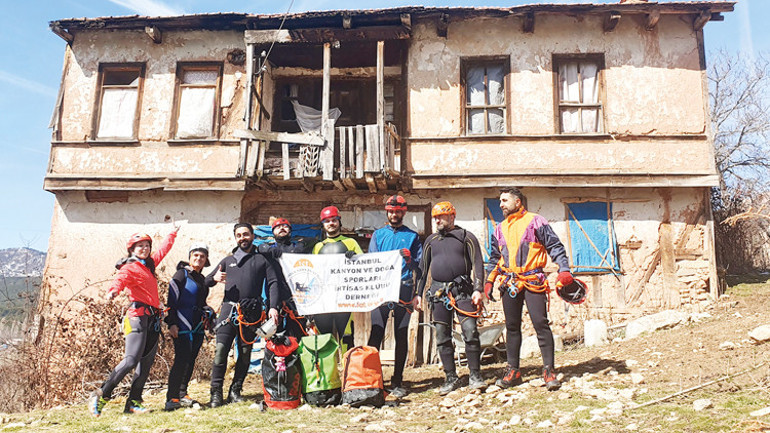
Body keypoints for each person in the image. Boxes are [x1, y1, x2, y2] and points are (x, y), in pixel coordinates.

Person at [485, 187, 573, 391]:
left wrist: (564, 269)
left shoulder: (536, 222)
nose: (501, 204)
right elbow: (494, 258)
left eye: (505, 200)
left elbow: (555, 246)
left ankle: (549, 370)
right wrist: (489, 281)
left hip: (533, 280)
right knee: (512, 327)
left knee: (541, 324)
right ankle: (513, 371)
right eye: (500, 200)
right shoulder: (499, 229)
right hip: (509, 283)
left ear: (518, 202)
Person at [88, 225, 179, 417]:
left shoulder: (149, 265)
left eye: (147, 245)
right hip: (137, 317)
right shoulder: (130, 267)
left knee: (145, 363)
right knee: (131, 360)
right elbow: (120, 279)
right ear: (132, 249)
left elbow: (163, 249)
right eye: (140, 246)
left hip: (153, 318)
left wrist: (172, 233)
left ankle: (133, 402)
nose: (144, 249)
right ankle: (100, 395)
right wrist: (113, 291)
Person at [205, 223, 280, 408]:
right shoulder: (227, 261)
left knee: (245, 354)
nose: (242, 238)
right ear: (235, 238)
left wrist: (273, 307)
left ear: (253, 236)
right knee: (221, 352)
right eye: (238, 235)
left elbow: (273, 283)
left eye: (245, 234)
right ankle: (216, 394)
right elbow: (206, 281)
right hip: (228, 312)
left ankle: (235, 391)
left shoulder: (262, 260)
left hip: (251, 313)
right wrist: (213, 279)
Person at [416, 202, 486, 395]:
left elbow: (478, 264)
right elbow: (422, 270)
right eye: (435, 217)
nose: (437, 220)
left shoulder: (466, 237)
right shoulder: (430, 241)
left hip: (463, 291)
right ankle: (450, 378)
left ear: (452, 216)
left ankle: (475, 375)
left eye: (441, 216)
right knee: (442, 336)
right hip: (438, 294)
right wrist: (417, 294)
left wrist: (478, 289)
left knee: (470, 331)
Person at [366, 195, 422, 398]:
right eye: (391, 211)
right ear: (386, 212)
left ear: (404, 212)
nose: (394, 214)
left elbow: (420, 266)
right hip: (381, 290)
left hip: (404, 289)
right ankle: (372, 379)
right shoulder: (378, 235)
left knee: (401, 334)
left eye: (398, 211)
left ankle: (397, 380)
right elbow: (371, 263)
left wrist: (410, 261)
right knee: (376, 333)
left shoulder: (413, 236)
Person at [164, 243, 216, 411]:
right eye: (195, 255)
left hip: (197, 324)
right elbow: (171, 299)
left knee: (191, 358)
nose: (198, 258)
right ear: (190, 257)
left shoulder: (201, 279)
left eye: (202, 256)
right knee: (181, 359)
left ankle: (182, 393)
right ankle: (171, 398)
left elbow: (200, 302)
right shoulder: (181, 274)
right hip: (182, 321)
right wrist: (171, 322)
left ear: (206, 260)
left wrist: (208, 310)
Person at [311, 206, 363, 342]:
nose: (331, 223)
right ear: (323, 225)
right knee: (324, 339)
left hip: (344, 298)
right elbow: (312, 273)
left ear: (340, 222)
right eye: (327, 221)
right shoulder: (318, 247)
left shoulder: (351, 242)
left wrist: (355, 258)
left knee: (346, 337)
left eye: (334, 220)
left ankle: (348, 363)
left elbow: (365, 266)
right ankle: (328, 364)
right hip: (324, 299)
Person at [257, 218, 309, 338]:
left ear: (290, 231)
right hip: (274, 296)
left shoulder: (298, 247)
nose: (281, 228)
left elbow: (305, 250)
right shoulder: (268, 248)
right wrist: (270, 250)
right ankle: (277, 356)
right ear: (273, 232)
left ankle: (297, 356)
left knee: (297, 332)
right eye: (278, 227)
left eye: (285, 226)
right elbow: (259, 248)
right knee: (275, 333)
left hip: (295, 296)